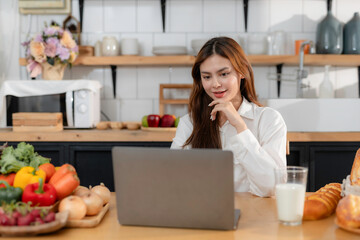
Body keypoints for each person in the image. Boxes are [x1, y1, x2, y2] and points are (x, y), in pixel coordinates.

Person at [170, 37, 287, 197]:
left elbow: (272, 188)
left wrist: (240, 127)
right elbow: (173, 181)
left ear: (242, 71)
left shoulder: (269, 120)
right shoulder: (189, 123)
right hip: (204, 217)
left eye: (223, 74)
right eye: (207, 77)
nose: (215, 84)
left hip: (254, 216)